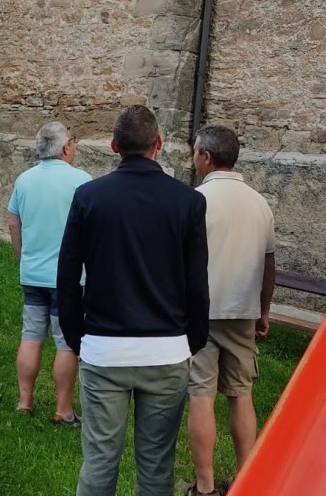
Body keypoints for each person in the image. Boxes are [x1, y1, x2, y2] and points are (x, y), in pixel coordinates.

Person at [58, 105, 209, 496]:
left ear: (114, 146)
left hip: (106, 346)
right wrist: (193, 338)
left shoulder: (90, 197)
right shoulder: (186, 201)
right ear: (158, 144)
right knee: (157, 465)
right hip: (164, 349)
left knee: (99, 461)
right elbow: (197, 281)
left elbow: (67, 275)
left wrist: (77, 336)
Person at [186, 126, 276, 496]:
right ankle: (246, 478)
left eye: (195, 153)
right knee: (241, 394)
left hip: (201, 310)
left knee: (200, 395)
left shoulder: (196, 200)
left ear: (206, 157)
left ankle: (204, 485)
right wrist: (263, 310)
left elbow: (183, 260)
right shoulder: (259, 202)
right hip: (242, 309)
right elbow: (269, 264)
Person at [8, 121, 91, 424]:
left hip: (32, 272)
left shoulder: (24, 179)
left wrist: (22, 257)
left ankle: (25, 401)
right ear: (66, 147)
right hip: (68, 277)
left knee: (30, 335)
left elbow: (13, 224)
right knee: (66, 341)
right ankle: (64, 409)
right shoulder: (81, 180)